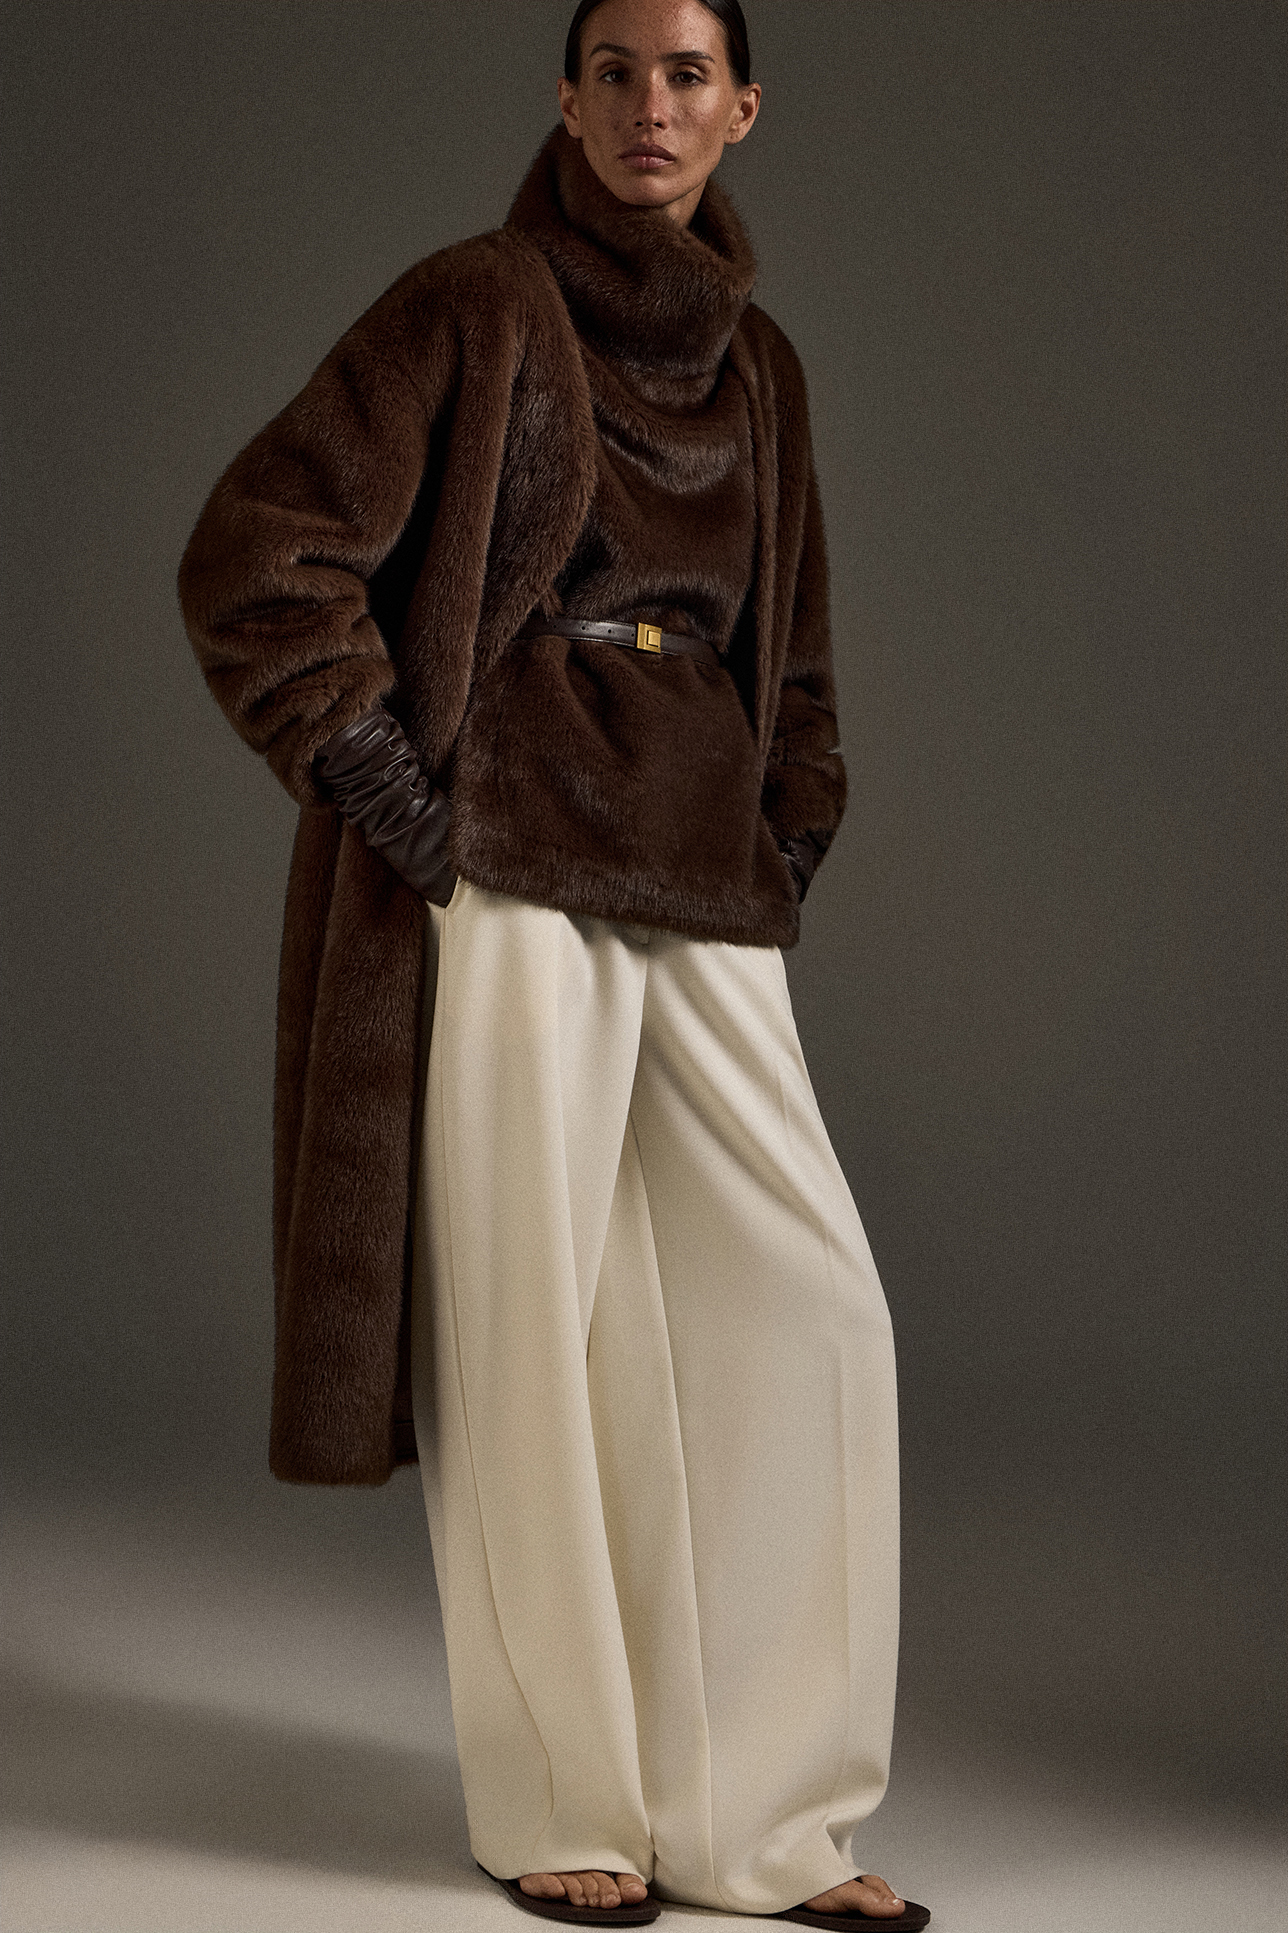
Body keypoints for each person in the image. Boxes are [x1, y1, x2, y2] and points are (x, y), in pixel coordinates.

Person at [178, 2, 929, 1925]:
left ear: (743, 108)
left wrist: (790, 830)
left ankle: (769, 1823)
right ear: (568, 100)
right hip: (508, 859)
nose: (648, 105)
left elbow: (795, 659)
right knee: (531, 1328)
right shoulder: (477, 301)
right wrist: (400, 800)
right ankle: (561, 1803)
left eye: (685, 75)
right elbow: (258, 552)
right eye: (613, 72)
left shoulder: (762, 367)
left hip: (703, 867)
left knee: (813, 1318)